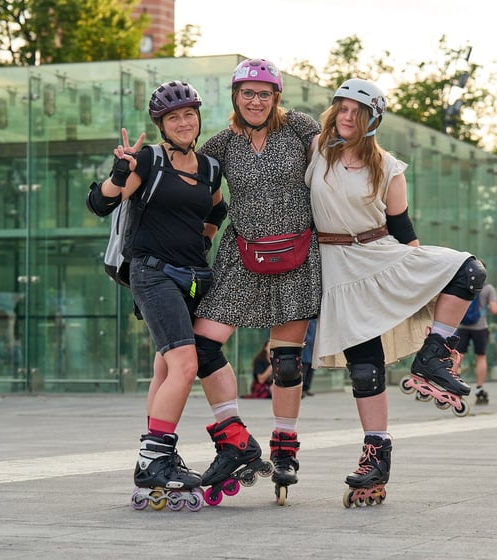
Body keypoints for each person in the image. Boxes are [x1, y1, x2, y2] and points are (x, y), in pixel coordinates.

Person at [306, 78, 486, 507]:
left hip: (380, 254)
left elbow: (403, 231)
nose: (346, 116)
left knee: (469, 269)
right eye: (341, 108)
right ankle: (376, 455)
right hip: (337, 268)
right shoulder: (315, 150)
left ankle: (434, 352)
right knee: (364, 370)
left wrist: (417, 284)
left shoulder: (389, 168)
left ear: (372, 120)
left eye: (356, 111)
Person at [87, 80, 228, 511]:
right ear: (161, 125)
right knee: (185, 365)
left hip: (192, 276)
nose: (183, 122)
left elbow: (217, 210)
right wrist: (117, 174)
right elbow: (100, 203)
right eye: (173, 117)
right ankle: (153, 461)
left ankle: (157, 455)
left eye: (188, 114)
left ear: (198, 118)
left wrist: (201, 242)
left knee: (166, 368)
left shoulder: (209, 169)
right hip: (152, 273)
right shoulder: (149, 160)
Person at [192, 58, 321, 506]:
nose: (255, 100)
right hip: (241, 255)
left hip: (297, 254)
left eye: (264, 93)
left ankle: (285, 450)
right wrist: (194, 250)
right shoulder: (221, 144)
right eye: (247, 93)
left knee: (286, 361)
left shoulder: (300, 128)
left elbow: (337, 163)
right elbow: (207, 204)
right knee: (202, 345)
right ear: (235, 97)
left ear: (276, 97)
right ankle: (233, 439)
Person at [456, 277, 497, 404]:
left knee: (458, 356)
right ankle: (479, 388)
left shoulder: (463, 285)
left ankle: (454, 385)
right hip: (480, 327)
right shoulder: (488, 288)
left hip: (462, 326)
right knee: (481, 357)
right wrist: (489, 306)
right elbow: (495, 310)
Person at [301, 318, 317, 398]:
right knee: (304, 369)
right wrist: (307, 340)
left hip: (313, 348)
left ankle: (306, 388)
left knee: (311, 368)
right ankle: (301, 389)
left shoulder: (316, 320)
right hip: (306, 347)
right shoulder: (307, 319)